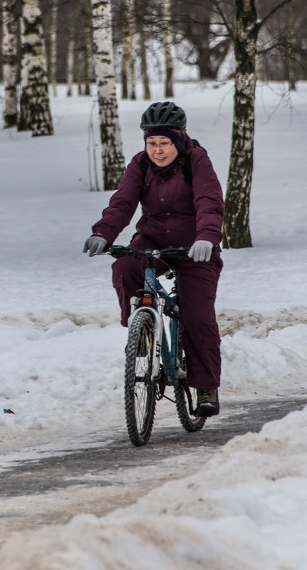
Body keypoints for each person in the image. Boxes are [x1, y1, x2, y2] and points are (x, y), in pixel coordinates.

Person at [83, 101, 225, 417]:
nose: (157, 151)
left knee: (197, 316)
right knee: (124, 266)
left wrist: (206, 239)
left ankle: (205, 386)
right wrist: (103, 233)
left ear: (178, 140)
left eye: (164, 143)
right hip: (153, 239)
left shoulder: (197, 161)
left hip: (194, 247)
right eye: (151, 143)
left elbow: (210, 203)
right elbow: (121, 203)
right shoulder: (140, 165)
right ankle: (140, 330)